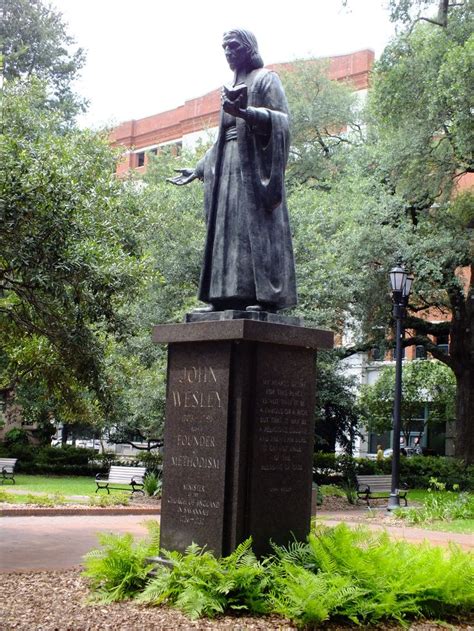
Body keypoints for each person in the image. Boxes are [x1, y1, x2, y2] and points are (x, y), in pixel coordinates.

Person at [168, 29, 297, 313]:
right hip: (225, 171)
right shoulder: (227, 87)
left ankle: (262, 298)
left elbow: (283, 123)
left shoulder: (266, 79)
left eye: (234, 46)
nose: (228, 52)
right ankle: (224, 297)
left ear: (248, 49)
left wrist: (246, 113)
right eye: (224, 47)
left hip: (252, 170)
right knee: (225, 231)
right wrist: (199, 167)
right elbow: (223, 138)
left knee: (250, 230)